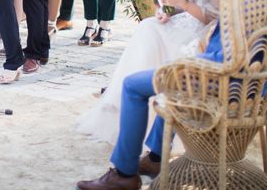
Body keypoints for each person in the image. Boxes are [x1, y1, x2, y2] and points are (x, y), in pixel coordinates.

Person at [78, 0, 231, 145]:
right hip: (186, 19)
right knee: (147, 27)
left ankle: (138, 102)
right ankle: (120, 97)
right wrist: (168, 10)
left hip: (203, 34)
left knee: (155, 35)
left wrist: (181, 4)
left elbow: (216, 19)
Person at [76, 21, 226, 190]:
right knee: (170, 88)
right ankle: (156, 158)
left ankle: (124, 174)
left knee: (132, 85)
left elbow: (227, 54)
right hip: (247, 85)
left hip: (218, 77)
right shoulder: (255, 1)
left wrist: (187, 63)